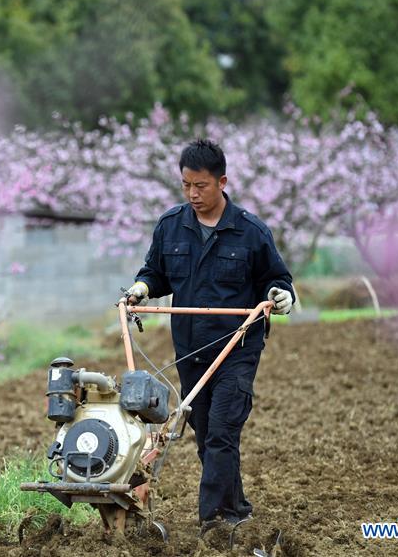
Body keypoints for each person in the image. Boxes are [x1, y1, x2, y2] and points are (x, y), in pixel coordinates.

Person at [124, 139, 294, 535]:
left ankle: (217, 521)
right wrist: (142, 288)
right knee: (206, 438)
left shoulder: (250, 231)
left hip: (237, 348)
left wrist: (282, 295)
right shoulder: (171, 226)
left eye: (200, 185)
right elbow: (156, 272)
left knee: (221, 432)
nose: (193, 194)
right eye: (186, 185)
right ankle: (237, 507)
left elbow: (276, 279)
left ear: (222, 182)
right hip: (190, 350)